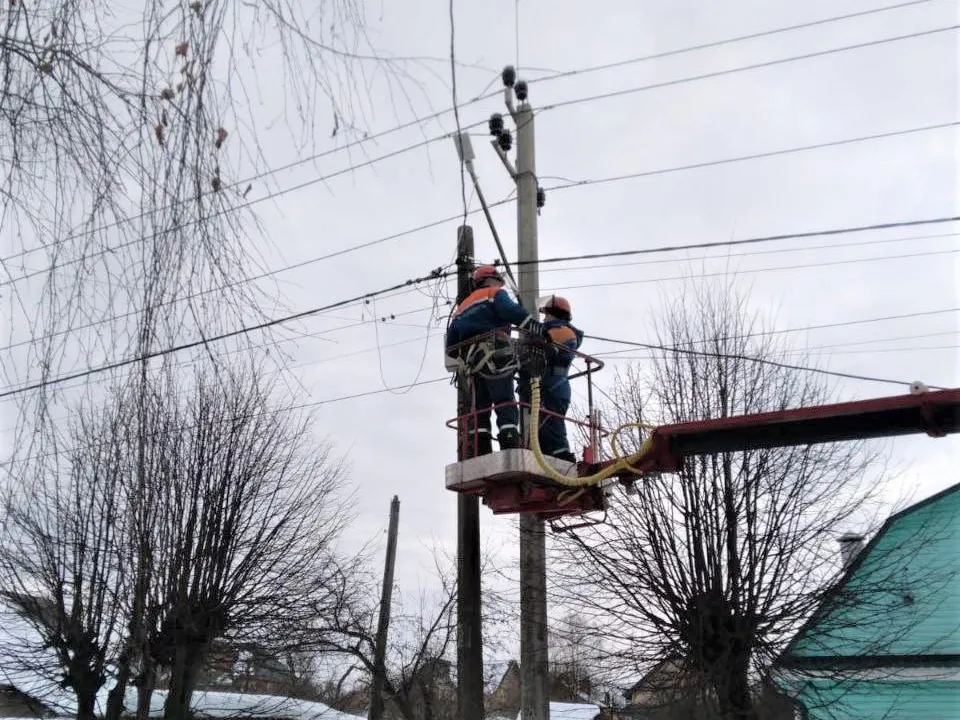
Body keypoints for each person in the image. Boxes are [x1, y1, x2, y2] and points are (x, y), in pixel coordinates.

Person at [445, 264, 544, 455]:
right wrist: (532, 326)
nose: (500, 285)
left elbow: (451, 345)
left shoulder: (461, 308)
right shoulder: (495, 294)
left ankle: (481, 448)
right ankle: (509, 443)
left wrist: (465, 355)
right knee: (504, 400)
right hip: (496, 354)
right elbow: (510, 311)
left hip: (474, 364)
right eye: (498, 281)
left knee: (481, 407)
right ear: (490, 280)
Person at [523, 295, 583, 463]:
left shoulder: (564, 332)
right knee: (542, 424)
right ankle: (545, 454)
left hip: (556, 384)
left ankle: (563, 455)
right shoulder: (548, 330)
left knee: (553, 421)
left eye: (547, 314)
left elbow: (563, 352)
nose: (545, 317)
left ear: (553, 313)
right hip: (546, 384)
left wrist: (545, 346)